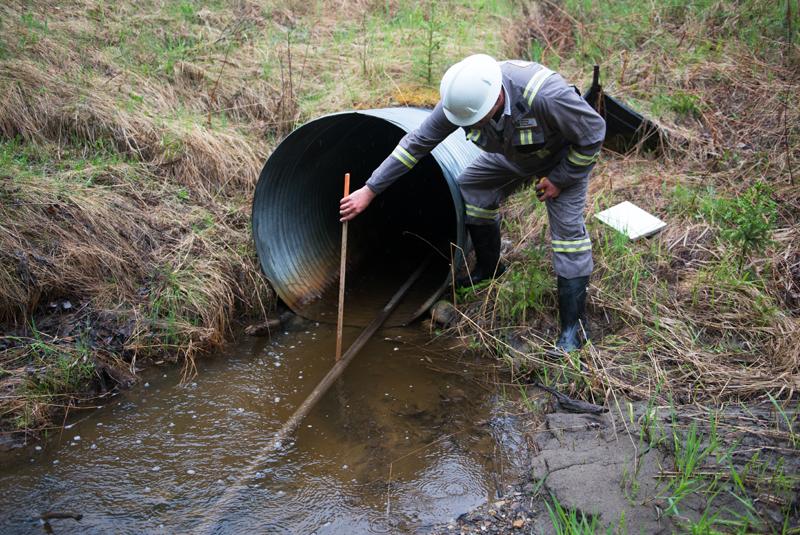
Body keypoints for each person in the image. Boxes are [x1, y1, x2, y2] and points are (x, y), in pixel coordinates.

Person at [339, 54, 606, 352]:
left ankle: (573, 330)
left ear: (496, 98)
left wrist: (560, 179)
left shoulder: (546, 96)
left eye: (474, 121)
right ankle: (490, 268)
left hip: (562, 159)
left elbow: (593, 134)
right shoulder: (459, 102)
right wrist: (370, 190)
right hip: (513, 154)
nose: (468, 125)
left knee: (568, 237)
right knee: (471, 186)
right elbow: (414, 145)